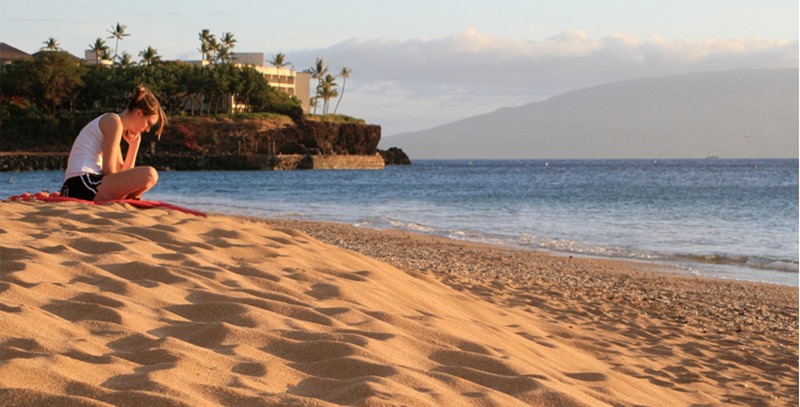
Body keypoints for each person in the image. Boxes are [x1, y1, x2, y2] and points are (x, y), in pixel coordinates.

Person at [61, 85, 166, 202]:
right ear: (138, 113)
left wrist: (134, 146)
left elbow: (122, 174)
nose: (147, 130)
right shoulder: (113, 123)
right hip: (82, 183)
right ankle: (128, 198)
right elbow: (109, 172)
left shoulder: (115, 125)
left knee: (150, 178)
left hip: (82, 185)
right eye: (148, 124)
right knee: (150, 174)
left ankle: (127, 198)